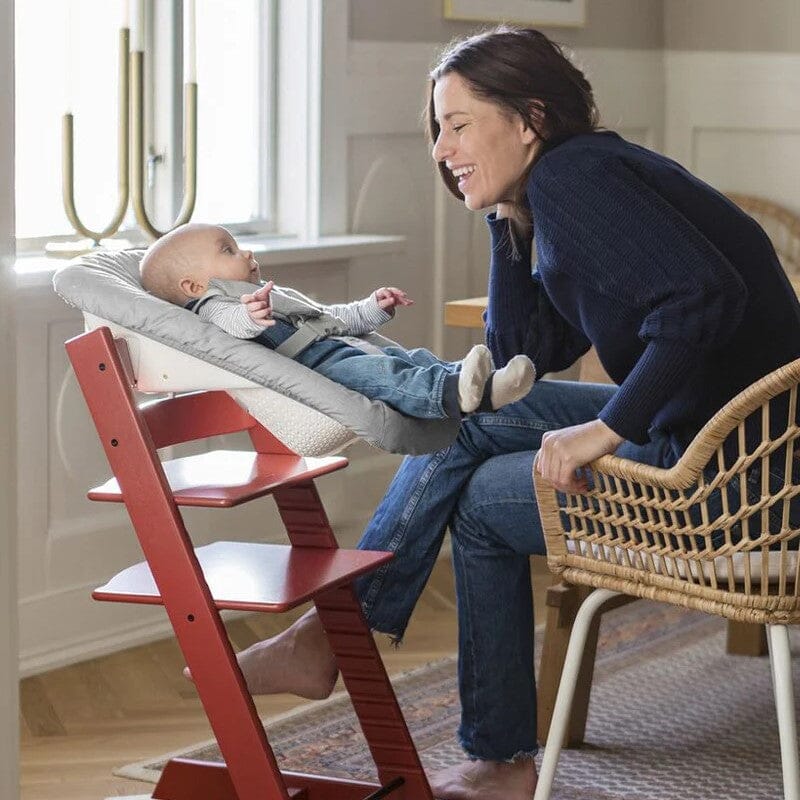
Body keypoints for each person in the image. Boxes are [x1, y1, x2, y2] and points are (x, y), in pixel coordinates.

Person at [183, 26, 800, 800]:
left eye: (459, 125)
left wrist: (608, 428)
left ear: (530, 118)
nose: (441, 149)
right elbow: (520, 358)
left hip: (742, 480)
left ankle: (487, 749)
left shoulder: (577, 178)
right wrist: (501, 214)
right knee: (470, 411)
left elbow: (705, 299)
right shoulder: (574, 181)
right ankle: (341, 639)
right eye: (437, 129)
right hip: (739, 447)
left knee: (478, 506)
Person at [139, 223, 536, 419]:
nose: (246, 253)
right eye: (228, 250)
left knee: (411, 358)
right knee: (385, 374)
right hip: (319, 367)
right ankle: (450, 394)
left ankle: (484, 387)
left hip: (335, 344)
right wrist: (249, 315)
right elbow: (230, 324)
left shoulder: (275, 295)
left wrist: (374, 307)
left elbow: (329, 317)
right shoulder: (212, 305)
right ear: (194, 286)